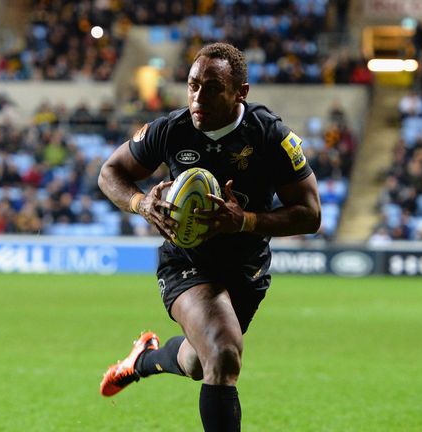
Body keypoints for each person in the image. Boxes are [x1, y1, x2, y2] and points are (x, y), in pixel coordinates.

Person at [97, 42, 321, 432]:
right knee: (221, 353)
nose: (198, 97)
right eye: (193, 85)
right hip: (187, 263)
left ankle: (145, 358)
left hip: (246, 269)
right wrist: (140, 203)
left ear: (241, 93)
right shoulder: (171, 129)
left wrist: (246, 221)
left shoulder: (270, 136)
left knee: (199, 362)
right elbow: (110, 173)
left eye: (213, 87)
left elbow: (310, 214)